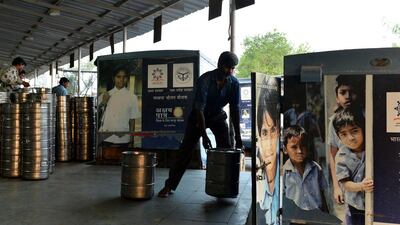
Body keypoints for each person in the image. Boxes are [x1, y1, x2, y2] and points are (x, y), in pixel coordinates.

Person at [158, 51, 243, 197]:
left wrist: (239, 138)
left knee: (226, 150)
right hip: (198, 117)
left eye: (232, 68)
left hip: (217, 116)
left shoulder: (234, 84)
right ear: (220, 65)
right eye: (227, 67)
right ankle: (169, 186)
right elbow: (199, 110)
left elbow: (235, 111)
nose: (230, 71)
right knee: (185, 152)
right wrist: (204, 136)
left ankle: (224, 188)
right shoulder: (205, 80)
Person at [327, 75, 364, 206]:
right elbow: (333, 154)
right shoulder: (334, 122)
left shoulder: (364, 116)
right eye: (343, 93)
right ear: (337, 97)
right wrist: (336, 187)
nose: (347, 96)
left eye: (351, 92)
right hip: (347, 180)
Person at [333, 108, 373, 225]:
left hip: (374, 205)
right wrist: (361, 186)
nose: (350, 138)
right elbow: (345, 184)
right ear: (338, 137)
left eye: (354, 131)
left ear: (363, 129)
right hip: (354, 207)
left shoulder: (371, 148)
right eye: (344, 134)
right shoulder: (341, 156)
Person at [282, 125, 328, 212]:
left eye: (302, 146)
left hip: (316, 217)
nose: (299, 151)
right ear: (285, 149)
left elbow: (322, 197)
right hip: (294, 219)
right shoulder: (283, 173)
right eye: (294, 147)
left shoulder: (316, 169)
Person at [255, 76, 280, 225]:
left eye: (273, 130)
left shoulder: (286, 180)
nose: (269, 144)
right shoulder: (258, 188)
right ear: (258, 136)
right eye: (264, 133)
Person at [98, 67, 140, 144]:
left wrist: (131, 139)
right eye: (118, 77)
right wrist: (103, 102)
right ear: (113, 78)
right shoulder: (105, 95)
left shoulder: (132, 97)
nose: (121, 79)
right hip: (106, 137)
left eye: (124, 77)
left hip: (123, 139)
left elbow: (132, 120)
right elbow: (95, 114)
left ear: (127, 79)